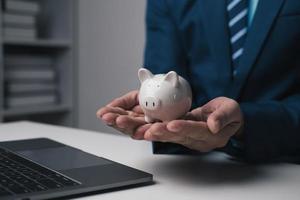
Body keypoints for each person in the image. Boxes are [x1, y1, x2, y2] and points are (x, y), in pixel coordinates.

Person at [97, 0, 300, 162]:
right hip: (195, 166)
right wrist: (164, 119)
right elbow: (163, 72)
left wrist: (245, 122)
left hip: (285, 165)